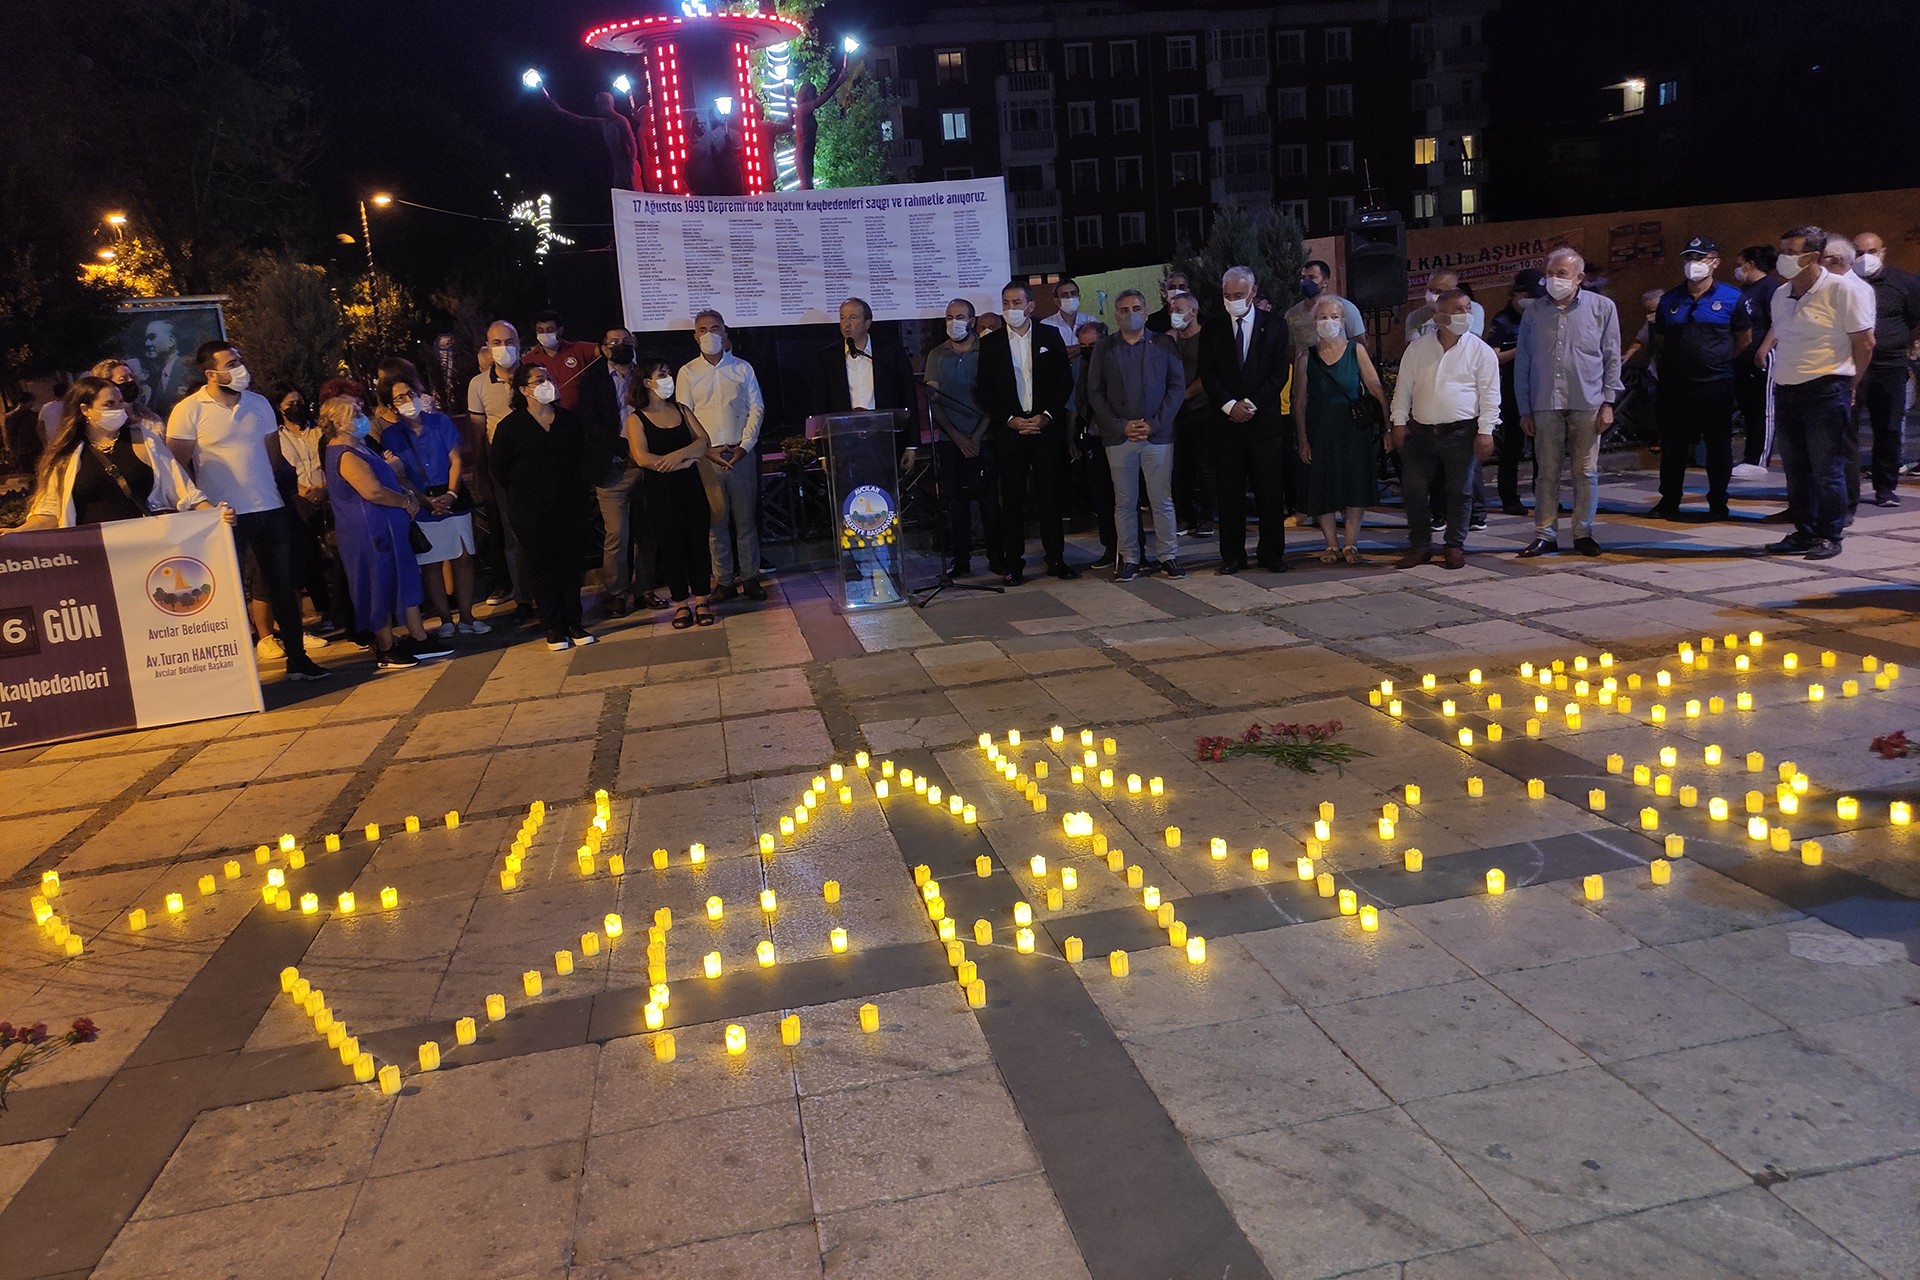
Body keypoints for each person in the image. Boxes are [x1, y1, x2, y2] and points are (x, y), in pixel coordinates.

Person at [166, 341, 327, 681]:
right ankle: (236, 672)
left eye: (239, 359)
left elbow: (270, 456)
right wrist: (201, 505)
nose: (239, 367)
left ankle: (297, 659)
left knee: (283, 586)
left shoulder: (258, 404)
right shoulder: (188, 410)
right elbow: (177, 467)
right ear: (211, 373)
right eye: (231, 362)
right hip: (223, 516)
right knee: (229, 591)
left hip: (269, 507)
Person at [1757, 227, 1874, 560]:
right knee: (1796, 467)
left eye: (1791, 252)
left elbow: (1864, 343)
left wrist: (1850, 384)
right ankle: (1803, 530)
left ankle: (1829, 534)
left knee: (1827, 468)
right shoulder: (1781, 294)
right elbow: (1780, 332)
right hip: (1787, 388)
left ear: (1813, 257)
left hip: (1826, 387)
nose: (1783, 258)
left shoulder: (1841, 291)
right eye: (1782, 250)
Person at [317, 395, 452, 669]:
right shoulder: (343, 453)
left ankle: (418, 636)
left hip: (389, 528)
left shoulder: (360, 446)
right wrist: (405, 501)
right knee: (379, 584)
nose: (361, 417)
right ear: (338, 423)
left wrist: (403, 494)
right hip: (370, 533)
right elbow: (372, 491)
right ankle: (386, 645)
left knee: (405, 580)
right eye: (354, 413)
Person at [1513, 248, 1623, 558]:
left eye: (1561, 274)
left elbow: (1612, 356)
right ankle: (1545, 533)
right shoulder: (1534, 312)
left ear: (1579, 278)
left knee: (1585, 472)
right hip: (1545, 401)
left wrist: (1608, 402)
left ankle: (1582, 532)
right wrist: (1524, 408)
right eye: (1550, 273)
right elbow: (1524, 362)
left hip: (1588, 401)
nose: (1553, 279)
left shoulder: (1603, 308)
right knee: (1546, 473)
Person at [10, 376, 225, 530]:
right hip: (95, 555)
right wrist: (17, 534)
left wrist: (214, 514)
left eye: (120, 402)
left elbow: (182, 489)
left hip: (149, 546)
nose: (118, 409)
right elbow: (49, 511)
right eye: (109, 404)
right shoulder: (66, 455)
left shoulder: (143, 439)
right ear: (85, 410)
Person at [1391, 289, 1499, 570]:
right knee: (1413, 489)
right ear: (1439, 316)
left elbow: (1490, 395)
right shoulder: (1418, 348)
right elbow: (1403, 388)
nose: (1466, 315)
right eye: (1458, 310)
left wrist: (1486, 431)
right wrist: (1398, 422)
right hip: (1421, 432)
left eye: (1467, 309)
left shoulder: (1480, 351)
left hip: (1461, 433)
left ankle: (1454, 545)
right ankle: (1420, 544)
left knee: (1460, 491)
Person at [490, 364, 594, 649]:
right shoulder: (510, 427)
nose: (547, 383)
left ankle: (574, 622)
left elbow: (580, 460)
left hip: (570, 506)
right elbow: (499, 468)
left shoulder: (569, 421)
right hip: (531, 511)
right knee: (542, 567)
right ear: (524, 390)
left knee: (571, 566)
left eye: (549, 378)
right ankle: (553, 626)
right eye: (539, 380)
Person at [977, 281, 1075, 583]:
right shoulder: (991, 343)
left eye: (1017, 302)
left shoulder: (1049, 335)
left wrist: (1045, 416)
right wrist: (1010, 419)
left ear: (1031, 305)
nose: (1011, 308)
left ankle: (1055, 559)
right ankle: (1014, 563)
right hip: (1011, 432)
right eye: (1006, 303)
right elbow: (984, 389)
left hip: (1045, 429)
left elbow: (1064, 382)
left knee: (1050, 496)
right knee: (1013, 498)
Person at [1199, 264, 1292, 574]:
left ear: (1253, 292)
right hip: (1226, 426)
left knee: (1269, 493)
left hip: (1264, 424)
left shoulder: (1276, 326)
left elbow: (1279, 373)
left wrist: (1250, 403)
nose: (1232, 300)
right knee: (1229, 495)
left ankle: (1271, 554)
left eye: (1238, 294)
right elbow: (1207, 373)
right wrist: (1229, 406)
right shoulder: (1212, 328)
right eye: (1227, 295)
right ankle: (1233, 556)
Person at [1087, 289, 1186, 581]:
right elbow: (1095, 392)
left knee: (1162, 500)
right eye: (1124, 309)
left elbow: (1176, 386)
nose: (1131, 313)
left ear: (1145, 311)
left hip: (1157, 436)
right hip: (1119, 438)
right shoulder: (1104, 348)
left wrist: (1155, 423)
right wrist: (1120, 425)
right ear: (1116, 314)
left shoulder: (1164, 343)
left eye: (1137, 308)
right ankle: (1129, 557)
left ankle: (1169, 556)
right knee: (1125, 502)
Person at [381, 373, 485, 637]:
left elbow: (456, 460)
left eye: (411, 394)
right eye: (400, 398)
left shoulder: (440, 422)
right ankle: (445, 619)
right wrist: (425, 501)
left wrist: (450, 494)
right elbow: (399, 473)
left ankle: (467, 617)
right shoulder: (392, 435)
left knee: (463, 558)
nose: (408, 400)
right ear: (392, 406)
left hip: (452, 494)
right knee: (432, 563)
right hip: (421, 499)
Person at [1648, 237, 1743, 520]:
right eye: (1689, 257)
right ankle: (1669, 500)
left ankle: (1718, 502)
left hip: (1715, 384)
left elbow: (1743, 338)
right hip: (1676, 386)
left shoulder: (1732, 297)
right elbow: (1664, 338)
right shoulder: (1669, 300)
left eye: (1700, 258)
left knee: (1717, 446)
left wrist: (1718, 359)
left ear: (1715, 262)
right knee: (1674, 446)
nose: (1693, 264)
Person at [1294, 294, 1390, 563]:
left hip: (1352, 431)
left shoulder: (1355, 351)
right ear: (1314, 322)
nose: (1328, 322)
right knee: (1323, 487)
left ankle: (1350, 544)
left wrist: (1388, 426)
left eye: (1334, 317)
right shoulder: (1306, 357)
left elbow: (1375, 387)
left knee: (1354, 485)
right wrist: (1302, 438)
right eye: (1323, 317)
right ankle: (1330, 545)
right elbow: (1299, 400)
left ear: (1343, 321)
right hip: (1320, 430)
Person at [679, 309, 767, 603]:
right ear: (695, 336)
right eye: (703, 329)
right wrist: (705, 449)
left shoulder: (743, 368)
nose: (709, 335)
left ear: (725, 332)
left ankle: (751, 577)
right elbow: (684, 414)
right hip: (707, 457)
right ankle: (725, 580)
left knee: (746, 521)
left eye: (715, 328)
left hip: (740, 453)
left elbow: (756, 408)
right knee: (716, 523)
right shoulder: (687, 372)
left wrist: (745, 445)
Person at [627, 358, 718, 629]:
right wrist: (681, 461)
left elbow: (703, 441)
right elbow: (642, 457)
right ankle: (681, 604)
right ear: (647, 382)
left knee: (698, 543)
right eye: (663, 374)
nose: (669, 379)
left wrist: (680, 455)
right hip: (660, 490)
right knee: (671, 547)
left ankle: (702, 600)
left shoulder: (681, 409)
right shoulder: (636, 418)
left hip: (691, 485)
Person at [578, 325, 657, 617]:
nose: (620, 345)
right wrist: (625, 447)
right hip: (611, 467)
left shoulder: (648, 374)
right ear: (603, 348)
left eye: (625, 340)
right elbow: (590, 423)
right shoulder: (592, 380)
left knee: (646, 532)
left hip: (647, 465)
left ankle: (645, 589)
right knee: (617, 536)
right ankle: (617, 593)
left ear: (635, 342)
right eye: (613, 342)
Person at [924, 298, 1002, 576]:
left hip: (986, 438)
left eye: (959, 317)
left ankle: (997, 557)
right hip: (950, 440)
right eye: (948, 317)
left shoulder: (988, 350)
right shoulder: (936, 354)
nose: (953, 322)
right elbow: (935, 400)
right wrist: (957, 437)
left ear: (971, 321)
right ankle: (961, 561)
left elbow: (996, 397)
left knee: (990, 501)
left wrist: (977, 436)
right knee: (956, 504)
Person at [271, 383, 351, 640]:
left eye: (299, 402)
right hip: (298, 501)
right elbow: (279, 469)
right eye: (290, 404)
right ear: (279, 409)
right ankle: (323, 611)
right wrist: (302, 489)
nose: (297, 408)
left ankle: (340, 609)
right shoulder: (276, 437)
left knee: (335, 555)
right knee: (309, 560)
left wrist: (325, 487)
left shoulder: (318, 432)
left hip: (327, 496)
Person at [806, 297, 920, 469]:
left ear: (868, 323)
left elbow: (908, 397)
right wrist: (823, 453)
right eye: (842, 317)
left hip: (884, 440)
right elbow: (820, 406)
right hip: (843, 443)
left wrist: (911, 445)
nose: (846, 324)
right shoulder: (826, 358)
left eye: (853, 317)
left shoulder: (889, 353)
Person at [1849, 231, 1920, 506]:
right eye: (1858, 252)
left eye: (1872, 251)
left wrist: (1897, 343)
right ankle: (1848, 488)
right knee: (1847, 427)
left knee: (1888, 428)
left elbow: (1915, 323)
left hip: (1889, 366)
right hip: (1852, 367)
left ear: (1883, 252)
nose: (1865, 258)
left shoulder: (1904, 282)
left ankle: (1885, 487)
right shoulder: (1845, 282)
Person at [468, 321, 533, 621]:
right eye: (496, 342)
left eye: (508, 341)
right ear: (487, 344)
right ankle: (523, 598)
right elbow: (478, 434)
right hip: (503, 466)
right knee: (513, 534)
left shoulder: (534, 374)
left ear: (519, 342)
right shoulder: (478, 384)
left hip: (537, 460)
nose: (503, 348)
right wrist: (483, 478)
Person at [1818, 238, 1879, 517]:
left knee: (1844, 441)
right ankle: (1807, 505)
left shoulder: (1856, 289)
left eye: (1822, 258)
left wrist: (1852, 382)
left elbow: (1864, 339)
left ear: (1838, 261)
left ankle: (1846, 504)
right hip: (1818, 373)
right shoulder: (1822, 288)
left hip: (1846, 373)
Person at [1485, 270, 1542, 515]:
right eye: (1527, 294)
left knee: (1543, 447)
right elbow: (1493, 357)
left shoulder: (1542, 315)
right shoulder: (1503, 320)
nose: (1531, 299)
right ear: (1515, 294)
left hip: (1541, 388)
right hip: (1512, 391)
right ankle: (1509, 497)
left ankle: (1544, 494)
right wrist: (1522, 350)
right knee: (1513, 447)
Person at [1165, 292, 1214, 538]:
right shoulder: (1168, 340)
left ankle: (1207, 516)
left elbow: (1208, 375)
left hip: (1200, 409)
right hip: (1174, 414)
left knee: (1204, 465)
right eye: (1172, 309)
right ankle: (1184, 516)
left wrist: (1182, 395)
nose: (1175, 314)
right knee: (1178, 467)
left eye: (1179, 309)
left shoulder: (1206, 337)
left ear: (1193, 311)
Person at [1070, 319, 1117, 569]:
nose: (1088, 349)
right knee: (1101, 496)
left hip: (1116, 435)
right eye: (1083, 345)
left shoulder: (1114, 360)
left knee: (1122, 495)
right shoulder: (1081, 365)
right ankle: (1110, 546)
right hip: (1092, 436)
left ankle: (1131, 548)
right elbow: (1075, 402)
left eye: (1093, 344)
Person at [1732, 246, 1780, 476]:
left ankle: (1759, 459)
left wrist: (1763, 348)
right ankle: (1748, 456)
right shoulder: (1745, 290)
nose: (1737, 268)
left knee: (1764, 409)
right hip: (1743, 358)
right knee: (1749, 409)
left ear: (1750, 264)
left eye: (1739, 262)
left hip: (1763, 356)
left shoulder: (1769, 288)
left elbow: (1778, 321)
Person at [522, 311, 603, 412]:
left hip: (581, 415)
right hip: (547, 415)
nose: (545, 334)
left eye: (550, 330)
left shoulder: (577, 349)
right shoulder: (529, 359)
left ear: (560, 330)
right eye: (540, 330)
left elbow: (605, 349)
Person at [1284, 260, 1366, 355]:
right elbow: (1291, 349)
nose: (1305, 282)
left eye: (1312, 277)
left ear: (1325, 282)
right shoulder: (1291, 314)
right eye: (1303, 278)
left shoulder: (1345, 308)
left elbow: (1359, 344)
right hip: (1307, 366)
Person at [1405, 269, 1486, 342]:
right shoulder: (1415, 317)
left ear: (1454, 291)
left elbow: (1472, 343)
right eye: (1430, 289)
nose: (1432, 295)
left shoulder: (1472, 309)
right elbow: (1414, 347)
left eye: (1439, 291)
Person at [143, 320, 198, 417]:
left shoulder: (190, 370)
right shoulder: (155, 376)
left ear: (171, 341)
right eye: (146, 339)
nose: (147, 343)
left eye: (152, 337)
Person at [1042, 278, 1093, 348]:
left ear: (1079, 297)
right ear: (1056, 301)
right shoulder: (1046, 325)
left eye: (1073, 293)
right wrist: (1081, 348)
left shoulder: (1090, 321)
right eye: (1064, 295)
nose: (1070, 297)